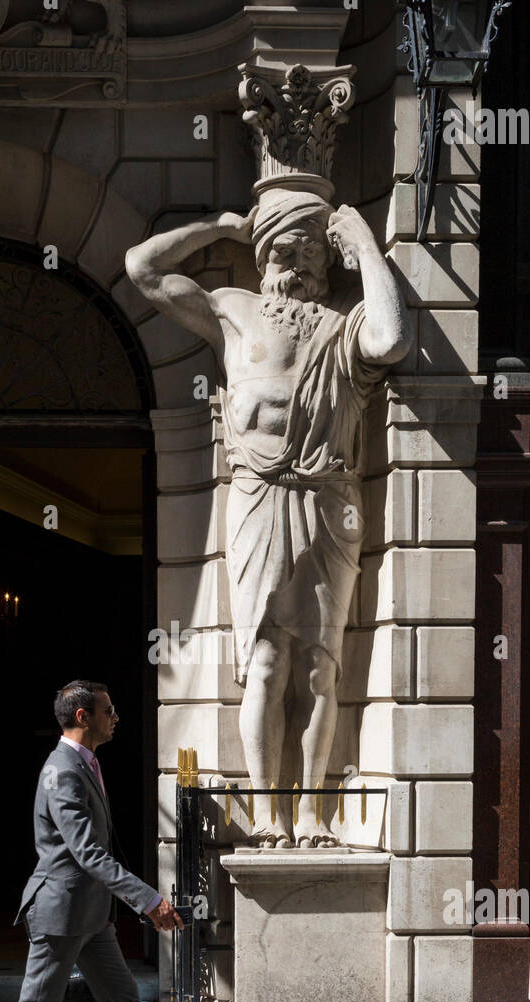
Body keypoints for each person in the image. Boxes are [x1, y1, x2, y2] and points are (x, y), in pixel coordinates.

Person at [125, 195, 412, 846]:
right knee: (263, 661)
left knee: (319, 666)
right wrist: (218, 229)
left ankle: (312, 812)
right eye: (287, 244)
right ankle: (266, 811)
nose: (300, 256)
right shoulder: (232, 309)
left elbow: (394, 338)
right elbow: (141, 268)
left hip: (328, 501)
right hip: (256, 502)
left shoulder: (345, 326)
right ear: (263, 253)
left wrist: (364, 244)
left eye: (314, 245)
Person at [0, 679, 231, 1002]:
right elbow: (86, 853)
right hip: (61, 914)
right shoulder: (62, 770)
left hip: (90, 915)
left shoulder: (86, 764)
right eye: (108, 711)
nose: (115, 718)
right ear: (83, 717)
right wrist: (149, 900)